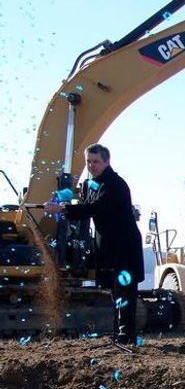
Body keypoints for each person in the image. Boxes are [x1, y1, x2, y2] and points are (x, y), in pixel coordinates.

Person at [45, 144, 144, 346]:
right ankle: (120, 334)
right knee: (115, 292)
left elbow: (96, 208)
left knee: (125, 291)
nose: (92, 165)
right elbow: (85, 204)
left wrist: (62, 209)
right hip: (109, 247)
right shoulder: (93, 184)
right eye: (88, 161)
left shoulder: (114, 184)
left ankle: (126, 336)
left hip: (124, 247)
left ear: (107, 161)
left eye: (96, 161)